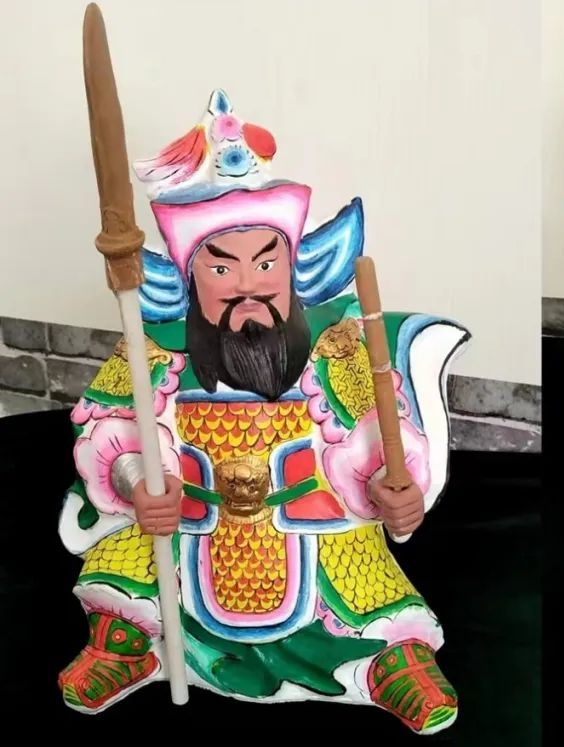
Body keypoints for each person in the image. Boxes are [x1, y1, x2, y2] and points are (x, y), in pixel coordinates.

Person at [57, 89, 469, 735]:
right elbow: (111, 432)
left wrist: (396, 489)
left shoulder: (337, 345)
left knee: (368, 600)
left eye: (266, 261)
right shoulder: (152, 347)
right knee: (128, 579)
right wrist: (140, 484)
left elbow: (376, 439)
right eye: (223, 268)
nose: (249, 284)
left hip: (314, 528)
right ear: (190, 275)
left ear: (292, 265)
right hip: (192, 522)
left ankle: (387, 667)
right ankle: (130, 652)